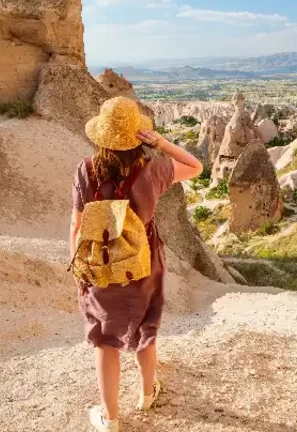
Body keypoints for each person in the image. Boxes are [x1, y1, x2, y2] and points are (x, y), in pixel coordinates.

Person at [70, 97, 203, 432]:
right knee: (146, 329)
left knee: (105, 340)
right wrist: (160, 142)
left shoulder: (86, 170)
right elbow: (196, 167)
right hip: (144, 262)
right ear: (137, 135)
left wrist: (79, 268)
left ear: (100, 135)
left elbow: (76, 225)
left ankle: (110, 418)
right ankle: (146, 395)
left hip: (100, 263)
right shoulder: (155, 169)